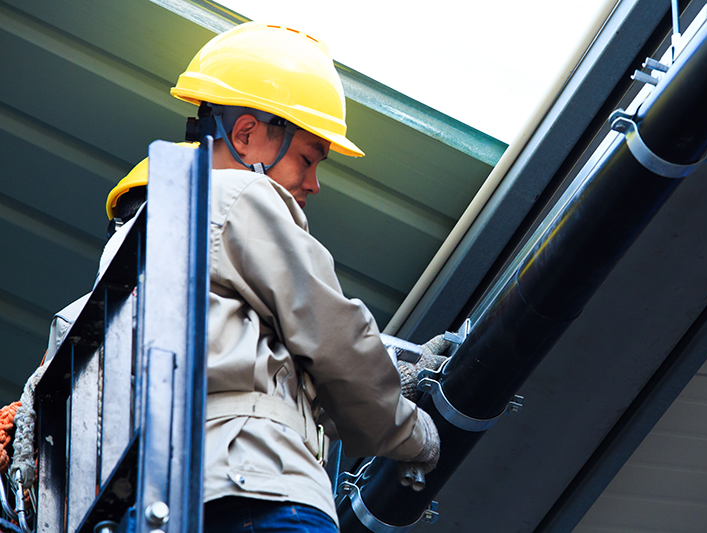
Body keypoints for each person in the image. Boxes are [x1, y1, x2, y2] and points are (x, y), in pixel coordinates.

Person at [101, 22, 447, 532]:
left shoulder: (131, 247)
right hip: (257, 488)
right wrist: (416, 432)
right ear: (246, 133)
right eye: (308, 158)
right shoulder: (239, 195)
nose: (314, 184)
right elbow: (333, 336)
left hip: (161, 502)